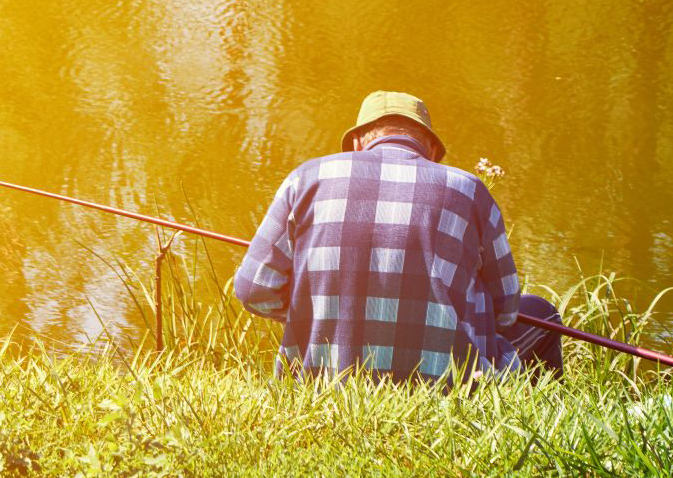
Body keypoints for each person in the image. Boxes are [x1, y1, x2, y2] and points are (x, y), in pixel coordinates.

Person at [233, 91, 563, 382]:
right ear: (431, 148)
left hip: (321, 383)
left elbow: (253, 291)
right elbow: (505, 310)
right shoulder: (469, 190)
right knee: (542, 314)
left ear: (358, 143)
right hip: (450, 387)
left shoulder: (306, 179)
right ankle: (546, 425)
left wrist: (319, 304)